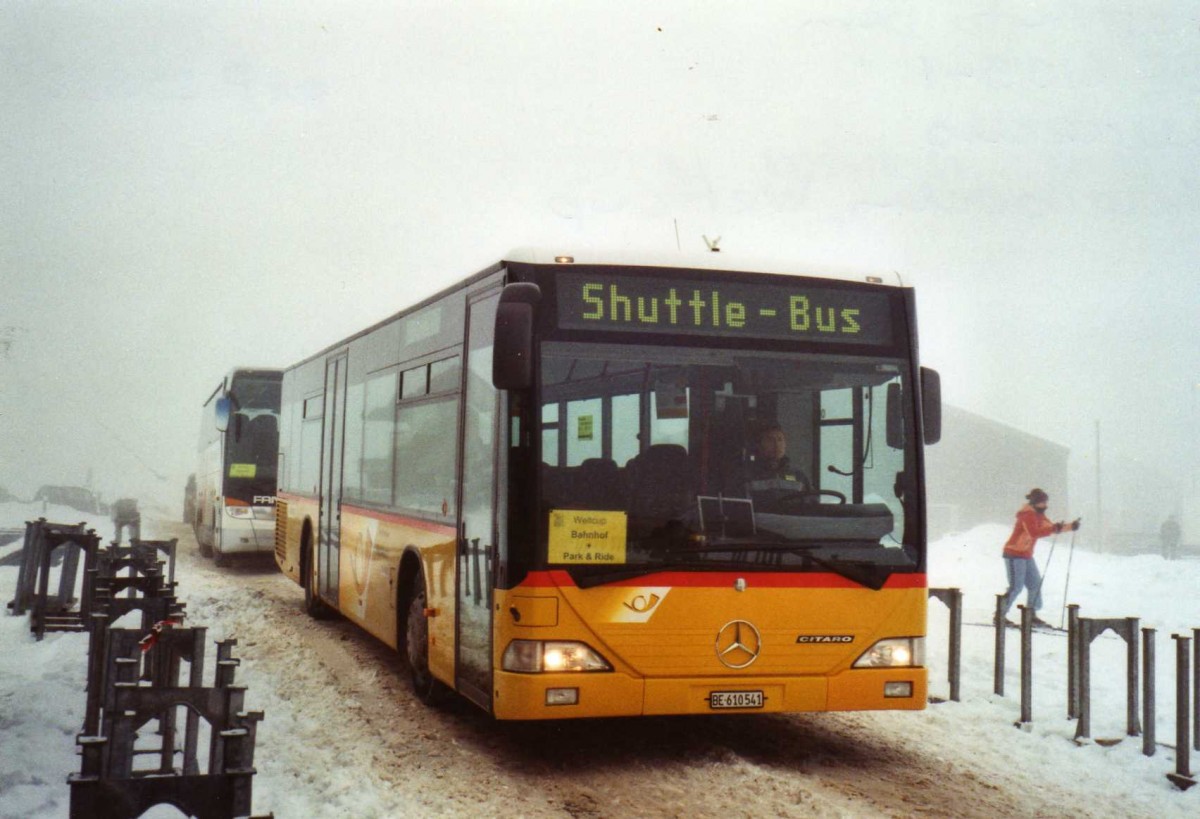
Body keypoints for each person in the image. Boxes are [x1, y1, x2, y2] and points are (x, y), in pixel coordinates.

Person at [999, 488, 1080, 627]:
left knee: (1035, 584)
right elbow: (1034, 532)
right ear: (1035, 502)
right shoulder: (1027, 515)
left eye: (1046, 502)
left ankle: (1031, 615)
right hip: (1014, 554)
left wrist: (1070, 526)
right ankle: (1000, 615)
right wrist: (1055, 528)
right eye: (1043, 502)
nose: (1045, 505)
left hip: (1026, 555)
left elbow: (1050, 527)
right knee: (1016, 587)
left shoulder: (1038, 515)